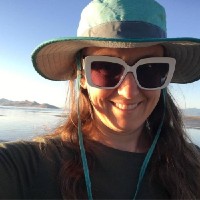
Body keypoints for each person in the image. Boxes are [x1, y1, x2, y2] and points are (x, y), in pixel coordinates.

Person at [1, 0, 200, 199]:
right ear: (81, 75)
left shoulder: (193, 163)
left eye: (150, 69)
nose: (129, 92)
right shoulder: (24, 166)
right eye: (106, 68)